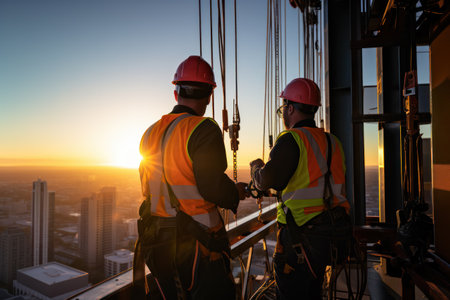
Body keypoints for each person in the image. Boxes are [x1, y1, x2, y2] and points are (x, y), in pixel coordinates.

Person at [133, 55, 248, 300]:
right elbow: (211, 185)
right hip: (197, 244)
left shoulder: (149, 132)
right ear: (209, 96)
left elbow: (148, 186)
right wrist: (234, 193)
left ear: (176, 93)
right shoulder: (203, 129)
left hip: (157, 243)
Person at [249, 78, 352, 299]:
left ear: (291, 108)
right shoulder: (333, 141)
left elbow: (267, 180)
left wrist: (256, 168)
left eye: (284, 108)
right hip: (330, 235)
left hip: (299, 239)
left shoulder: (292, 139)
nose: (284, 113)